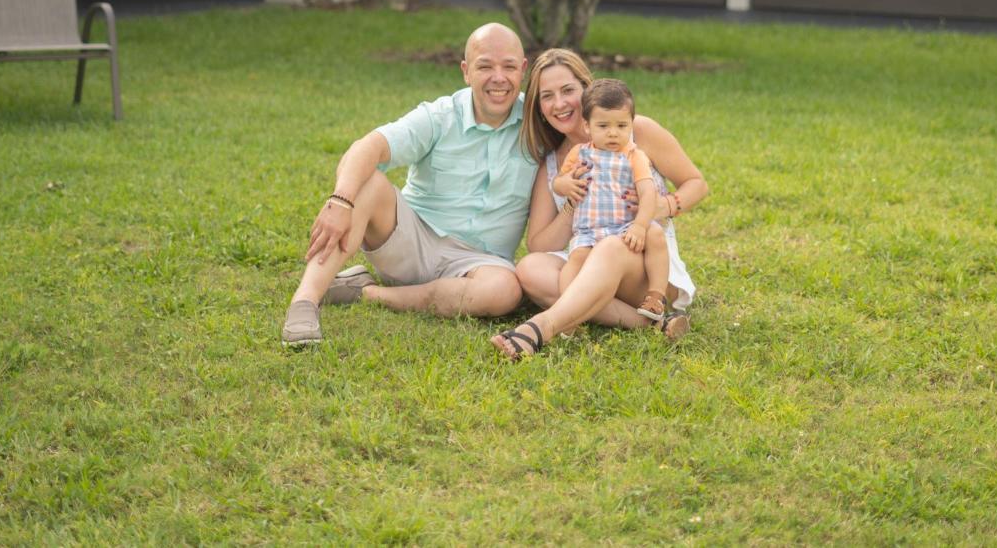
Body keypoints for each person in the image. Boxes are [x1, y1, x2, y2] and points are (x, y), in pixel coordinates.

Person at [281, 22, 539, 347]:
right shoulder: (440, 116)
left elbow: (595, 128)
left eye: (509, 67)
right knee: (368, 183)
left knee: (504, 292)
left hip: (481, 264)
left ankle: (370, 294)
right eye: (485, 66)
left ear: (524, 70)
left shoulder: (538, 124)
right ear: (466, 71)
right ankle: (305, 301)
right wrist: (340, 201)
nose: (498, 77)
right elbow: (368, 147)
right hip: (412, 242)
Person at [491, 49, 707, 359]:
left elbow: (697, 184)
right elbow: (538, 244)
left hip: (646, 268)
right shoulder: (554, 165)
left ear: (586, 89)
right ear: (539, 108)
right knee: (529, 268)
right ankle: (648, 325)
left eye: (567, 90)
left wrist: (662, 206)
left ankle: (540, 327)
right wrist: (571, 203)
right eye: (547, 96)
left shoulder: (637, 132)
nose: (559, 103)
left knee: (610, 246)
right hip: (591, 259)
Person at [551, 78, 671, 321]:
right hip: (589, 230)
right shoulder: (580, 152)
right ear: (587, 126)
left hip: (625, 228)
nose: (613, 133)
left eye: (622, 125)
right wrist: (565, 185)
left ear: (631, 125)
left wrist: (639, 225)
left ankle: (657, 296)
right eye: (604, 125)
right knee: (574, 262)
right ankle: (567, 312)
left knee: (656, 235)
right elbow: (559, 182)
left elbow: (648, 193)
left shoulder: (634, 155)